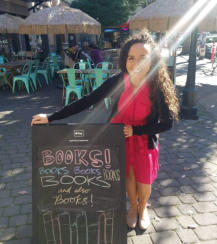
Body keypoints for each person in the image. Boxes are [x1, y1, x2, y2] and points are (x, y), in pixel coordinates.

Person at [31, 30, 179, 231]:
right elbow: (88, 100)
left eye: (143, 58)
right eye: (131, 58)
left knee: (144, 179)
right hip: (118, 138)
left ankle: (143, 209)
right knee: (128, 176)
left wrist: (136, 131)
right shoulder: (118, 81)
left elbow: (167, 123)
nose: (136, 64)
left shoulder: (158, 85)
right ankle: (133, 208)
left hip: (144, 139)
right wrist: (51, 117)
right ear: (125, 60)